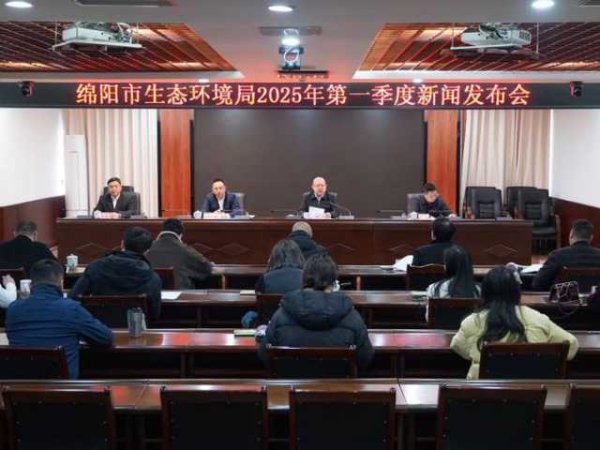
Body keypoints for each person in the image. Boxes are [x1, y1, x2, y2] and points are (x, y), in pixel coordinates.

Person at [450, 265, 578, 379]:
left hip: (482, 393)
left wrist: (475, 354)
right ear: (517, 291)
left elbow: (457, 346)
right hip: (533, 391)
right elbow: (571, 344)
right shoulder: (537, 318)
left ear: (485, 292)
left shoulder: (472, 321)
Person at [258, 254, 374, 370]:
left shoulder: (282, 314)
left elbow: (264, 355)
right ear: (333, 283)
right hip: (338, 381)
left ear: (304, 279)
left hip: (290, 381)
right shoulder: (351, 316)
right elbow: (365, 357)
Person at [6, 259, 113, 379]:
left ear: (31, 285)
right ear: (61, 283)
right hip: (62, 387)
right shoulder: (71, 308)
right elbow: (105, 338)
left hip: (21, 386)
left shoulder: (13, 309)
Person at [69, 227, 162, 319]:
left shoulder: (96, 267)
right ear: (147, 251)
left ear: (122, 244)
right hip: (136, 327)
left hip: (98, 324)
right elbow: (154, 314)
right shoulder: (152, 278)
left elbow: (73, 298)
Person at [532, 219, 600, 291]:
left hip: (564, 298)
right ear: (591, 237)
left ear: (571, 235)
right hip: (594, 298)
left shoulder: (557, 255)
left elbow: (538, 283)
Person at [146, 218, 212, 289]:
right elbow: (206, 267)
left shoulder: (147, 249)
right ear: (181, 234)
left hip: (152, 292)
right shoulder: (185, 250)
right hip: (180, 292)